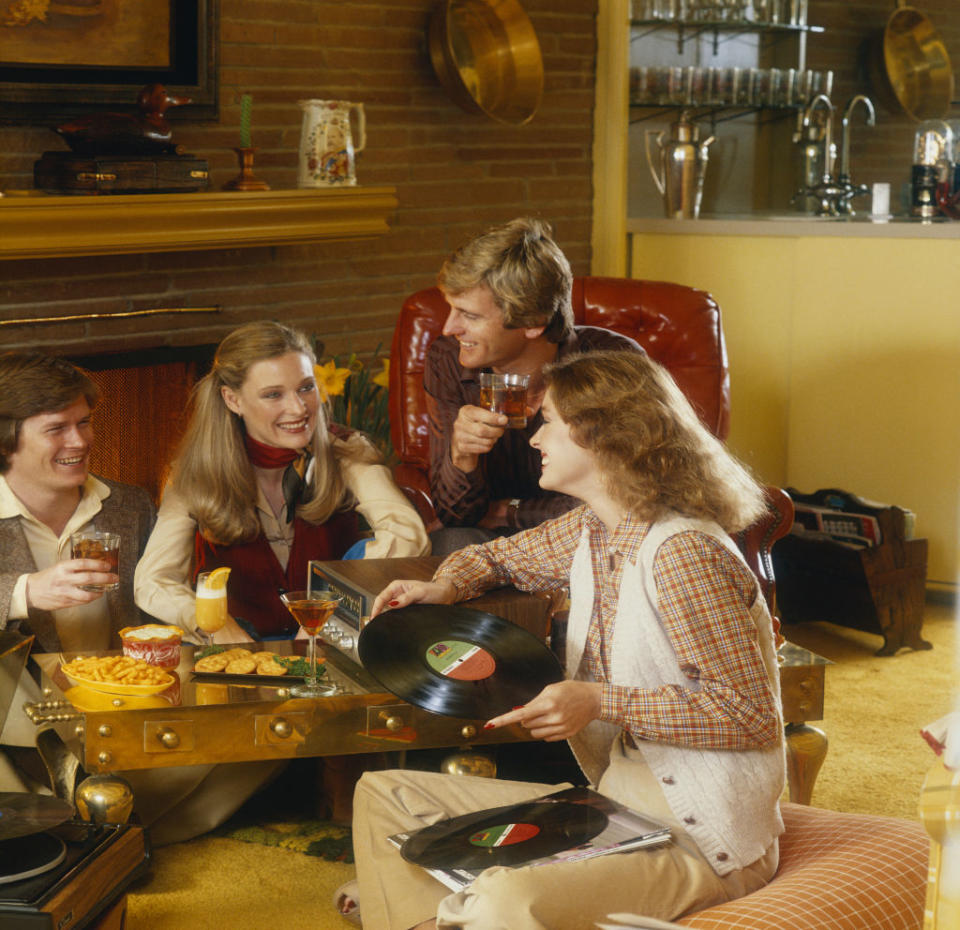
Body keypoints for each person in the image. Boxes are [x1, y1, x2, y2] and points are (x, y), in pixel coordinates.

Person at [343, 350, 786, 930]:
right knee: (383, 794)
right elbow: (497, 556)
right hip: (617, 810)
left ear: (603, 435)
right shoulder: (596, 527)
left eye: (549, 419)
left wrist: (598, 700)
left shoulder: (683, 555)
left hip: (700, 841)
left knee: (507, 898)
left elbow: (750, 715)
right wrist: (444, 586)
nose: (535, 439)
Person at [134, 320, 429, 641]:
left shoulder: (347, 451)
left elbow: (407, 532)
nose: (298, 408)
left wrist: (332, 610)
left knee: (362, 552)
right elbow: (154, 580)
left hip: (336, 637)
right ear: (233, 400)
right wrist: (213, 624)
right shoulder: (194, 473)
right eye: (273, 394)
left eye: (305, 387)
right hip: (243, 640)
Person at [425, 217, 643, 555]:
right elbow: (456, 516)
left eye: (470, 315)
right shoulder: (448, 361)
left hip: (590, 539)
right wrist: (462, 456)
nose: (449, 327)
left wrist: (507, 511)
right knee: (453, 543)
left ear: (532, 322)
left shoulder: (613, 363)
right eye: (451, 308)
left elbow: (631, 501)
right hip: (491, 541)